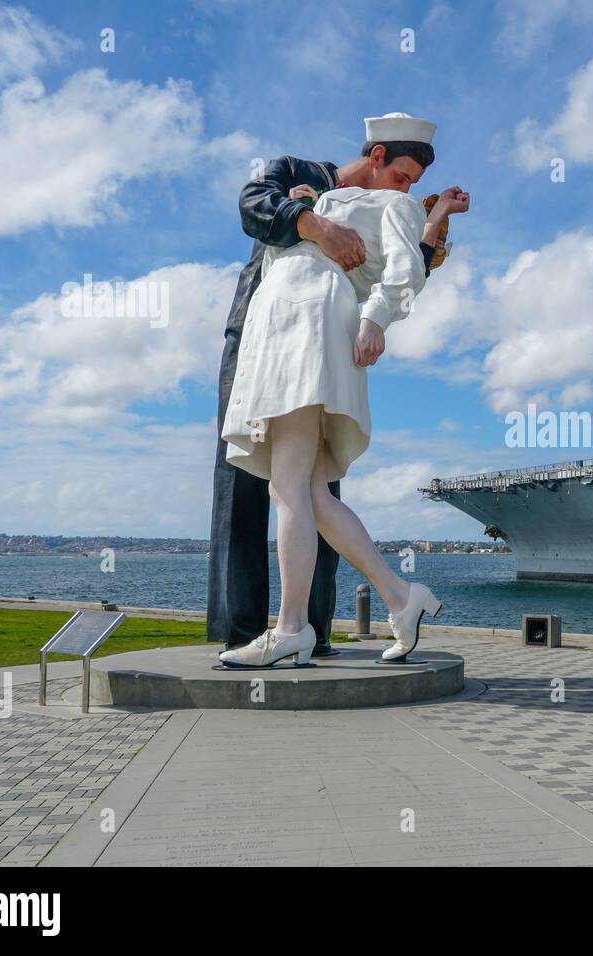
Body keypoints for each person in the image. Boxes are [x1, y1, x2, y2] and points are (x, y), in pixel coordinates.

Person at [211, 112, 468, 666]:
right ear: (376, 156)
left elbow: (404, 270)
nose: (407, 191)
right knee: (309, 493)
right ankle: (400, 598)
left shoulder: (389, 205)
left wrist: (376, 316)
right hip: (279, 330)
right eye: (401, 176)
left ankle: (293, 626)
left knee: (286, 489)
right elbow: (258, 206)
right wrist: (311, 209)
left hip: (303, 330)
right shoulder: (307, 184)